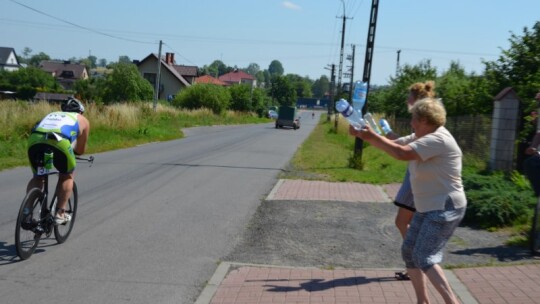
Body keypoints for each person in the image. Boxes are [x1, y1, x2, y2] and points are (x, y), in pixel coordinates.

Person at [350, 97, 466, 304]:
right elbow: (394, 144)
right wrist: (363, 134)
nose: (411, 123)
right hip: (428, 206)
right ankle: (423, 301)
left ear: (423, 120)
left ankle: (452, 302)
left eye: (413, 118)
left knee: (424, 256)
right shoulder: (422, 136)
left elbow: (401, 153)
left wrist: (370, 136)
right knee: (410, 251)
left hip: (444, 206)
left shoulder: (437, 139)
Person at [385, 81, 436, 280]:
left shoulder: (425, 120)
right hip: (418, 176)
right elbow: (413, 142)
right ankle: (416, 264)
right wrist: (393, 137)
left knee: (402, 221)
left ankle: (416, 263)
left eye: (409, 98)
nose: (407, 100)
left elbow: (413, 148)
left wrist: (385, 140)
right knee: (409, 223)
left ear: (417, 100)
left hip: (418, 178)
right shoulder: (425, 119)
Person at [27, 97, 90, 224]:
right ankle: (60, 213)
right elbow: (80, 149)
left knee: (39, 176)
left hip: (34, 140)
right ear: (80, 112)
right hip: (59, 141)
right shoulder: (82, 119)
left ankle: (27, 211)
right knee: (66, 176)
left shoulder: (51, 114)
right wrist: (73, 153)